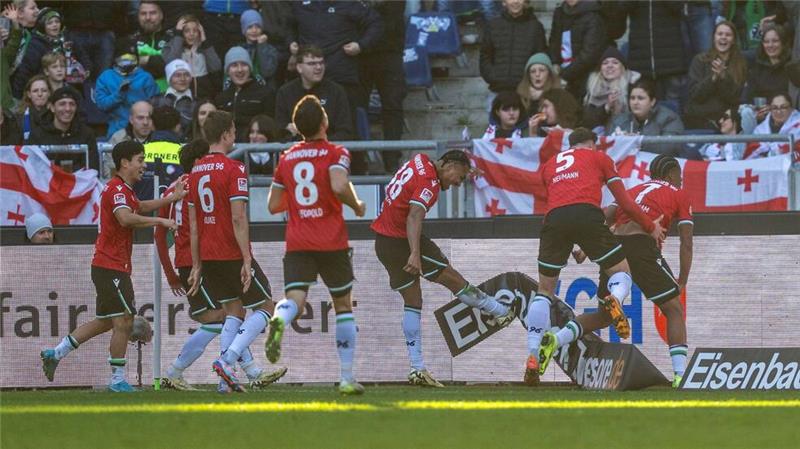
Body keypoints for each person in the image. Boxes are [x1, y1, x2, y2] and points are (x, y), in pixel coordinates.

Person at [523, 128, 664, 386]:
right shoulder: (599, 159)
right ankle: (616, 298)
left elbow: (561, 201)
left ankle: (533, 354)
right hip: (588, 216)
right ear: (592, 145)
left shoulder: (551, 165)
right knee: (621, 271)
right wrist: (650, 226)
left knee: (544, 291)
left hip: (554, 220)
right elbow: (625, 201)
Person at [40, 140, 183, 392]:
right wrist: (161, 221)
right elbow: (125, 218)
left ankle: (56, 353)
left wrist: (171, 198)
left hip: (108, 265)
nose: (143, 165)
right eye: (140, 160)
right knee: (124, 321)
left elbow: (139, 206)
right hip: (111, 265)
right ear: (125, 162)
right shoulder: (117, 190)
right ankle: (117, 380)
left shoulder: (124, 190)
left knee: (105, 322)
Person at [541, 155, 693, 389]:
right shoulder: (678, 192)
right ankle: (681, 376)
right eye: (679, 176)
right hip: (642, 246)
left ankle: (556, 339)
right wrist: (682, 279)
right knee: (673, 309)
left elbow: (603, 217)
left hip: (615, 246)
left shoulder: (633, 190)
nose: (680, 181)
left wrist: (583, 247)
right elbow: (686, 242)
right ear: (672, 174)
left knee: (604, 316)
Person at [372, 150, 519, 387]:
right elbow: (413, 217)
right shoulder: (430, 184)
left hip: (383, 242)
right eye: (459, 178)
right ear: (449, 164)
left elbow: (416, 176)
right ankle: (501, 312)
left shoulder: (419, 159)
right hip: (402, 240)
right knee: (453, 279)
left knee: (413, 302)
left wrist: (466, 168)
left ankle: (417, 367)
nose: (456, 184)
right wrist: (414, 253)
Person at [156, 139, 287, 391]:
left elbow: (160, 234)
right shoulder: (195, 183)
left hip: (192, 259)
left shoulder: (169, 191)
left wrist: (170, 270)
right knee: (224, 317)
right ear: (197, 162)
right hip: (199, 259)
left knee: (230, 313)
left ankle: (234, 376)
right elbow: (207, 223)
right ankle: (194, 370)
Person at [264, 95, 367, 395]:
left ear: (297, 128)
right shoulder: (337, 152)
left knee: (295, 299)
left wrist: (297, 199)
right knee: (343, 305)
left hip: (298, 239)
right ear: (325, 122)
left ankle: (279, 319)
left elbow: (273, 205)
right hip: (331, 239)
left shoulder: (287, 157)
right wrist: (356, 204)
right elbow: (337, 185)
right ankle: (347, 378)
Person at [186, 111, 275, 393]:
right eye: (234, 130)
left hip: (209, 255)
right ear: (226, 134)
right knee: (267, 307)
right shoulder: (234, 169)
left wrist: (197, 264)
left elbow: (194, 226)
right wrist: (246, 258)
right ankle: (227, 360)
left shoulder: (194, 173)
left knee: (233, 311)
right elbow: (238, 218)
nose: (235, 135)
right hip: (231, 252)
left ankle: (225, 384)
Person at [359, 0, 407, 172]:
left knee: (393, 105)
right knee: (357, 107)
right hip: (360, 54)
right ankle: (357, 159)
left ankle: (392, 158)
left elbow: (391, 20)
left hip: (389, 52)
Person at [275, 45, 353, 143]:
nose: (318, 67)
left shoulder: (336, 91)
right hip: (297, 152)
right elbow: (280, 130)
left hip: (328, 151)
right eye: (312, 63)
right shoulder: (285, 92)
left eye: (321, 63)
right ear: (299, 67)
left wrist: (319, 144)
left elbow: (345, 131)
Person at [685, 21, 748, 130]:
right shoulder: (700, 60)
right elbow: (695, 95)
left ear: (733, 40)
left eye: (728, 35)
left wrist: (723, 77)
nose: (723, 37)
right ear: (714, 38)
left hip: (728, 120)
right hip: (701, 119)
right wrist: (713, 78)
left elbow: (735, 98)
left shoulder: (740, 63)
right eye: (720, 34)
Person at [480, 0, 547, 98]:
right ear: (503, 2)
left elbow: (540, 57)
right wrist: (493, 77)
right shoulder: (493, 26)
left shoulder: (536, 27)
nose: (515, 1)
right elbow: (485, 56)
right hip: (498, 91)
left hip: (525, 92)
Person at [96, 37, 160, 139]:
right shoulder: (106, 77)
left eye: (131, 59)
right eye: (124, 60)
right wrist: (119, 95)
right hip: (116, 131)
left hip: (144, 131)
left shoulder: (145, 77)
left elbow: (155, 106)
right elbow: (101, 105)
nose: (128, 63)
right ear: (115, 59)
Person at [27, 86, 98, 171]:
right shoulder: (37, 135)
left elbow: (93, 169)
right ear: (52, 107)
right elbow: (31, 169)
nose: (67, 109)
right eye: (62, 104)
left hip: (78, 183)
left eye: (72, 104)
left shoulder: (87, 134)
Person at [547, 0, 607, 101]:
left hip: (584, 78)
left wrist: (564, 75)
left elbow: (589, 54)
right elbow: (554, 41)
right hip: (561, 75)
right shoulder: (559, 12)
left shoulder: (594, 15)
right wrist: (555, 63)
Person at [609, 78, 685, 156]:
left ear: (652, 101)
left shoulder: (669, 118)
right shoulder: (620, 120)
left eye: (640, 98)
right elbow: (607, 147)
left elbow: (670, 148)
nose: (635, 102)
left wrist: (639, 142)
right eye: (632, 98)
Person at [215, 46, 275, 142]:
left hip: (256, 150)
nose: (240, 69)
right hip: (228, 151)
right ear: (228, 71)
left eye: (244, 64)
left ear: (250, 68)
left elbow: (270, 128)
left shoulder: (265, 93)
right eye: (234, 65)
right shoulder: (221, 98)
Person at [162, 14, 222, 99]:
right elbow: (171, 62)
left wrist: (204, 41)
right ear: (181, 32)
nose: (191, 34)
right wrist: (178, 36)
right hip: (182, 96)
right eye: (187, 31)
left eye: (195, 31)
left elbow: (216, 66)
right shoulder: (173, 47)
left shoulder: (204, 49)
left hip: (204, 94)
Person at [582, 46, 641, 132]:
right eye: (605, 63)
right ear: (600, 69)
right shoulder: (592, 89)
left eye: (615, 62)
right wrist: (607, 107)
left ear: (622, 67)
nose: (610, 66)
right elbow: (587, 121)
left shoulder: (634, 85)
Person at [130, 0, 169, 91]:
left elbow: (171, 66)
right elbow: (126, 68)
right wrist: (158, 59)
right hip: (139, 94)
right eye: (143, 13)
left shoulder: (171, 38)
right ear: (138, 16)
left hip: (166, 94)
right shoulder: (131, 40)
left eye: (153, 13)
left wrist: (146, 59)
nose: (148, 17)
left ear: (161, 16)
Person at [151, 59, 196, 135]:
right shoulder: (155, 100)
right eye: (177, 75)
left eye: (186, 75)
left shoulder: (197, 103)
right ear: (169, 78)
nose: (182, 79)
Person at [750, 92, 800, 158]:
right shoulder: (759, 130)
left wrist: (768, 153)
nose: (779, 112)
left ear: (791, 109)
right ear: (770, 109)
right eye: (774, 108)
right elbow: (751, 154)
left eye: (783, 107)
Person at [238, 9, 278, 88]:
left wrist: (262, 46)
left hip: (265, 90)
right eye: (250, 27)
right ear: (243, 29)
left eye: (258, 27)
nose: (254, 30)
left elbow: (267, 72)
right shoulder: (239, 50)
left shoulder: (270, 49)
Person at [516, 53, 560, 119]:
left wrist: (544, 95)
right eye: (533, 71)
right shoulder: (520, 95)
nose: (537, 74)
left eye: (542, 70)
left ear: (549, 73)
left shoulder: (559, 94)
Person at [14, 74, 49, 141]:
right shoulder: (18, 118)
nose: (40, 94)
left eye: (44, 90)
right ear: (29, 94)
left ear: (49, 93)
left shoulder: (56, 116)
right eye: (35, 91)